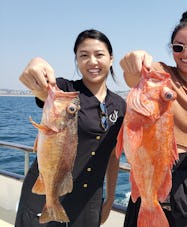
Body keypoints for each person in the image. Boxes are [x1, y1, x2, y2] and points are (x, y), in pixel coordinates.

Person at [119, 9, 187, 227]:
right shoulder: (160, 74)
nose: (185, 53)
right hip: (152, 172)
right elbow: (133, 78)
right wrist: (133, 61)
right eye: (178, 47)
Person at [15, 29, 126, 227]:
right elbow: (43, 91)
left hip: (88, 200)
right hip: (44, 193)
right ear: (76, 60)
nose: (92, 61)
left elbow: (113, 156)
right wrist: (36, 63)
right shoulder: (64, 91)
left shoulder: (119, 105)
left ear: (111, 59)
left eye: (99, 54)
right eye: (83, 55)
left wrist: (109, 200)